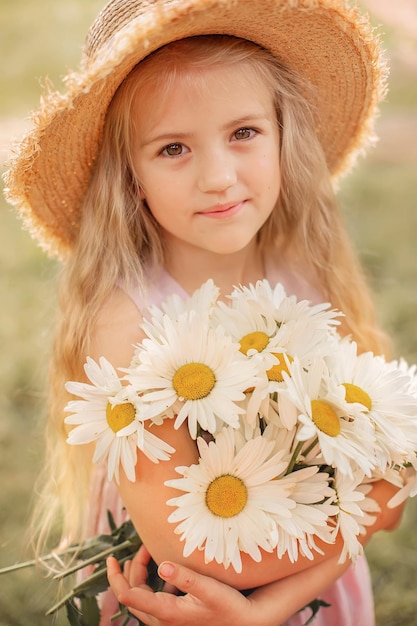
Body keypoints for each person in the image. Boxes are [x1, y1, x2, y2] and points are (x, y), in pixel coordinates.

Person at [4, 0, 406, 624]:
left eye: (243, 133)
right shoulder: (128, 325)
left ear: (281, 136)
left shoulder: (300, 278)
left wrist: (275, 606)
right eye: (173, 149)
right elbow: (192, 551)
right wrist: (368, 513)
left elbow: (385, 460)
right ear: (131, 174)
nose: (219, 177)